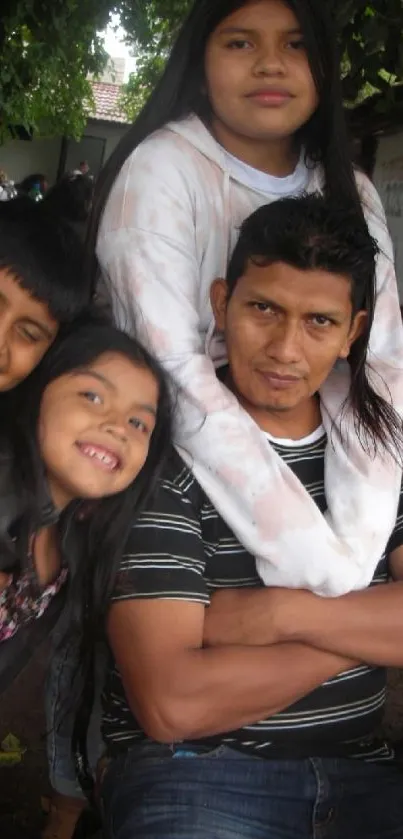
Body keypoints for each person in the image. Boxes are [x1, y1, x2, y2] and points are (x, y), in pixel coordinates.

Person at [97, 195, 403, 839]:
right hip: (198, 772)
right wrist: (366, 626)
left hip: (369, 773)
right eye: (264, 308)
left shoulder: (376, 452)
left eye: (319, 321)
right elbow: (173, 701)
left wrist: (281, 615)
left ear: (354, 332)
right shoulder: (162, 444)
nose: (285, 349)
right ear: (220, 303)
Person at [90, 0, 403, 598]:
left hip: (322, 470)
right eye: (240, 43)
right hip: (179, 475)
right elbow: (172, 370)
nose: (269, 66)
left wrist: (356, 543)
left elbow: (382, 361)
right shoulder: (160, 171)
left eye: (295, 45)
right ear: (200, 58)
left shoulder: (351, 189)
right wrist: (315, 560)